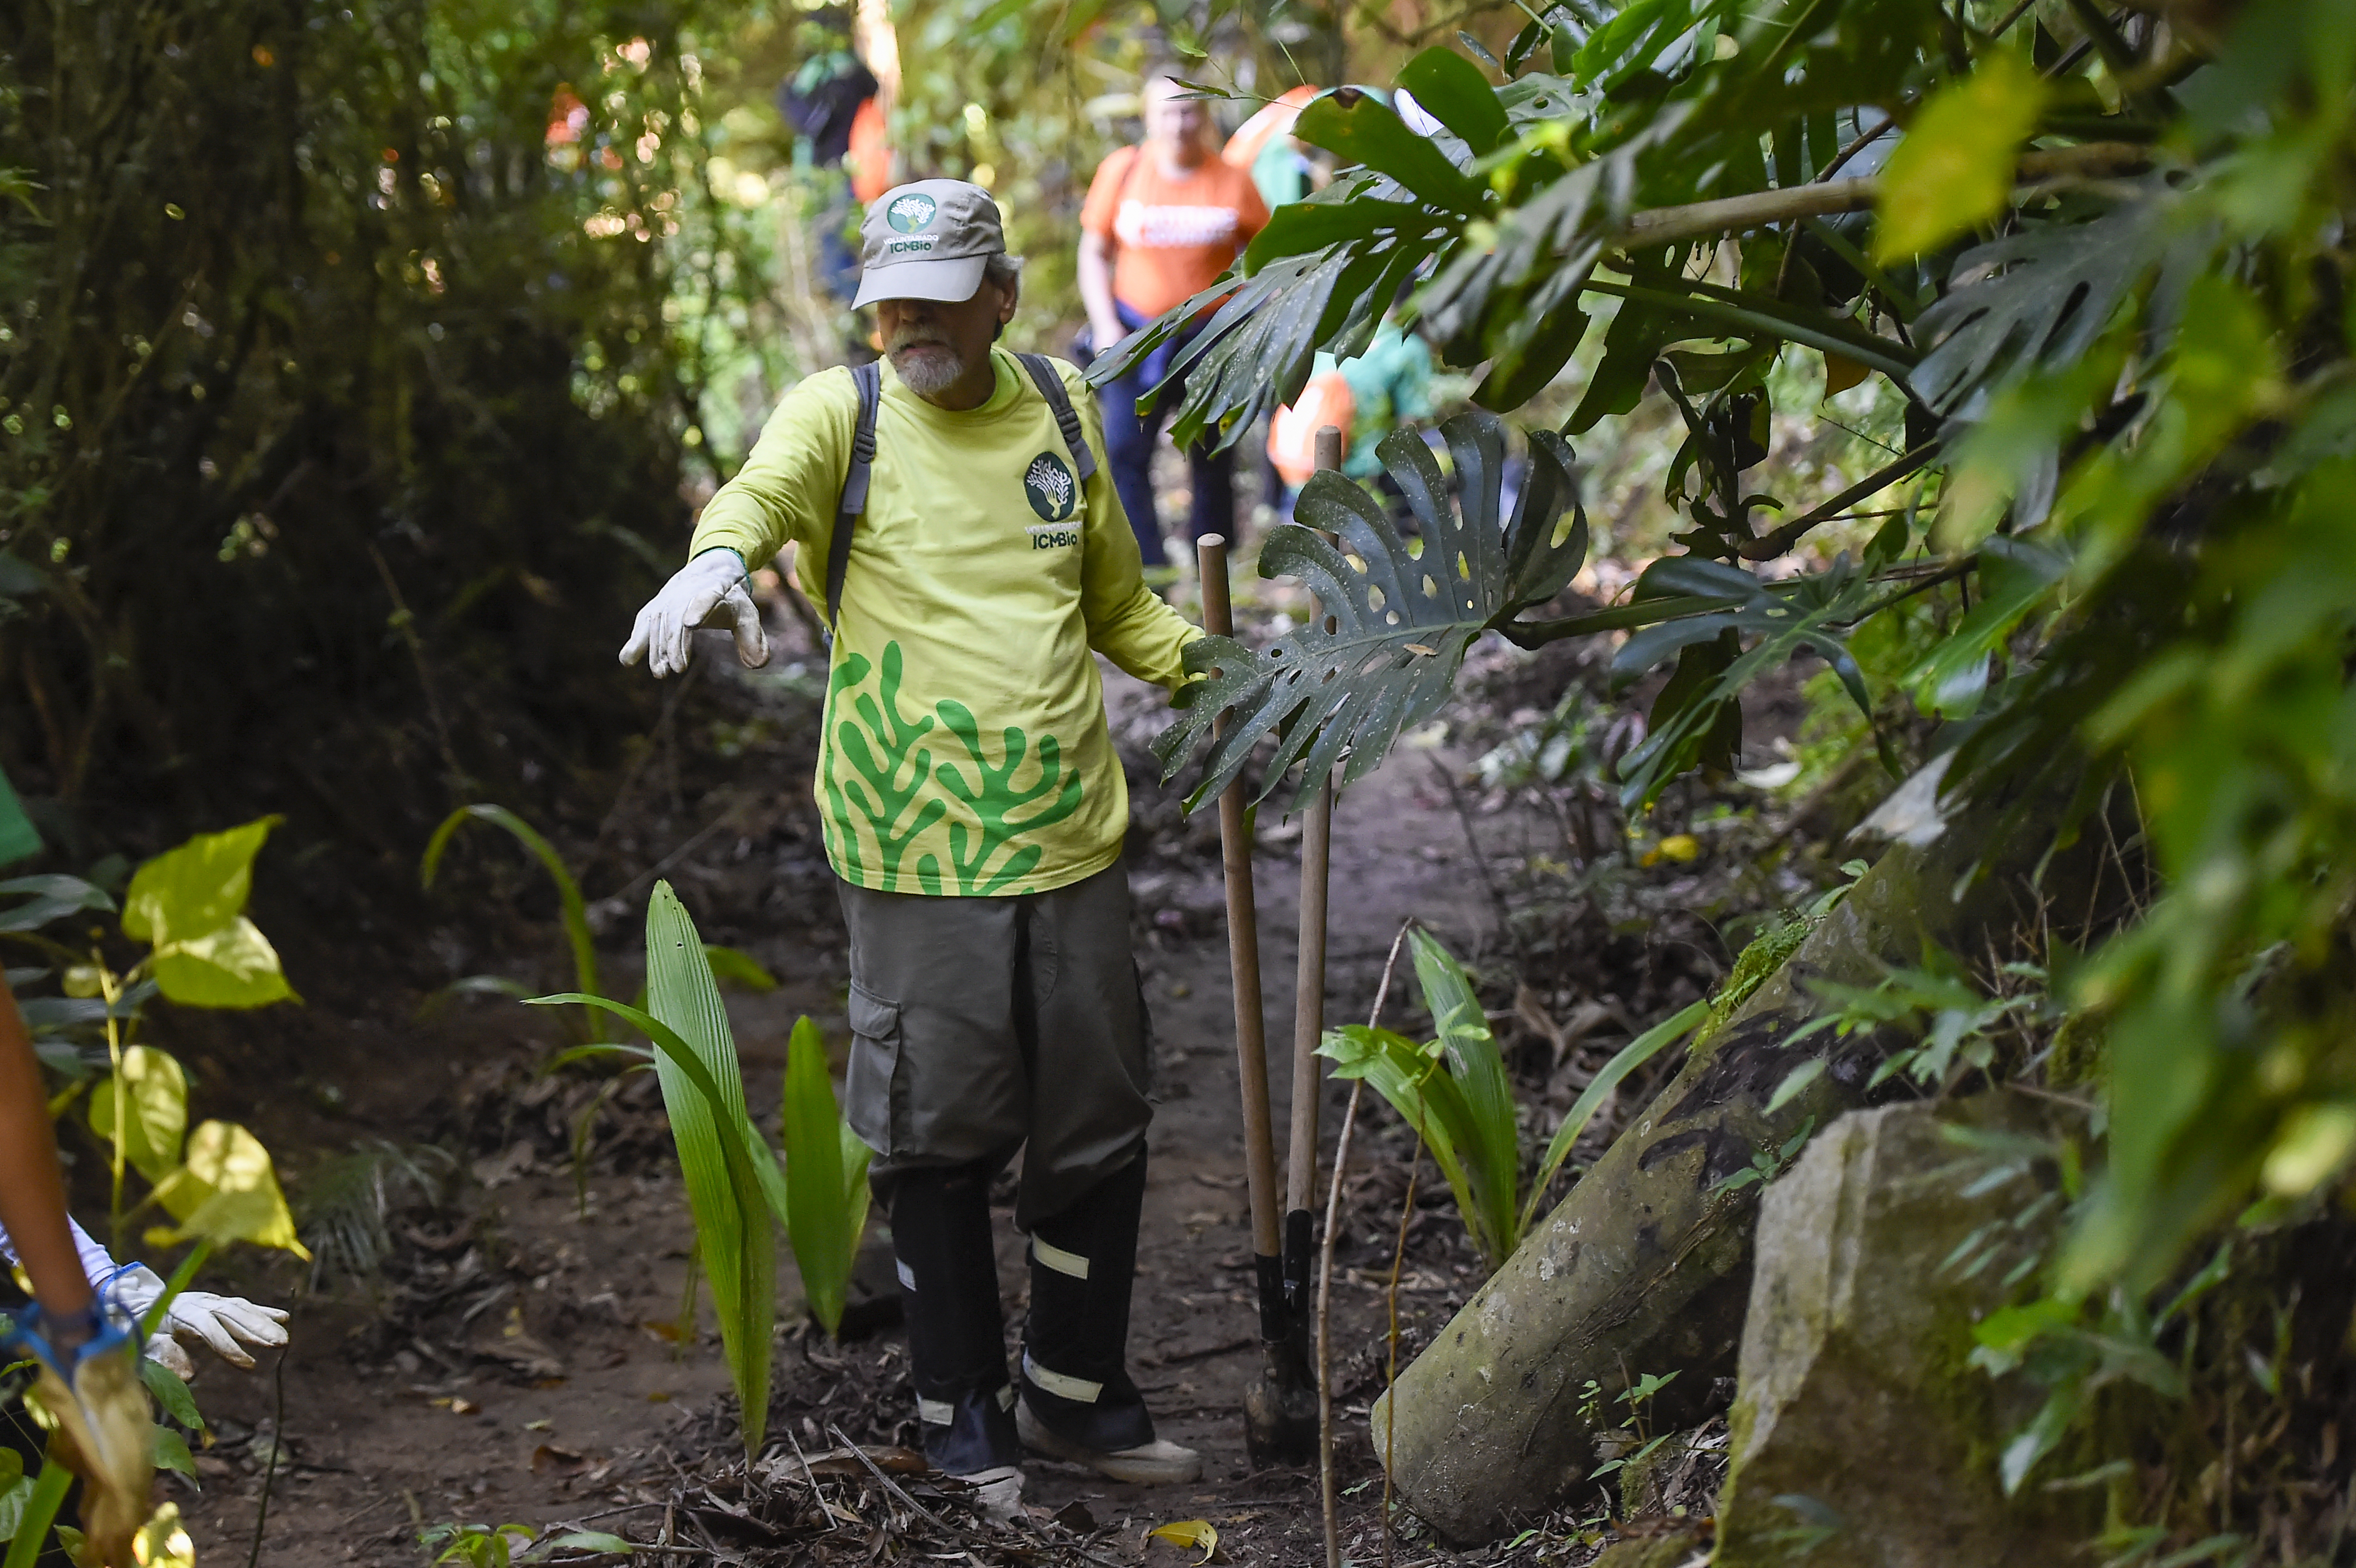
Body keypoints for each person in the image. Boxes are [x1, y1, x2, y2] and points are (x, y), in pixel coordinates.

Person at [620, 178, 1204, 1518]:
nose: (910, 322)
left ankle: (1075, 1391)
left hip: (1073, 836)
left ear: (1000, 294)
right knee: (935, 1135)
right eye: (890, 297)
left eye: (940, 299)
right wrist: (715, 562)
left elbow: (1118, 604)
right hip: (915, 842)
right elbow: (763, 492)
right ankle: (960, 1409)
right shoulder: (849, 412)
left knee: (1096, 1124)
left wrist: (1228, 676)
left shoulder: (1059, 407)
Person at [1079, 72, 1269, 567]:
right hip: (1136, 333)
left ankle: (1217, 565)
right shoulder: (1123, 171)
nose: (1178, 123)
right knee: (1124, 450)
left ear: (1204, 117)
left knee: (1213, 451)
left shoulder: (1232, 178)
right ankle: (1150, 568)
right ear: (1148, 117)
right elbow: (1095, 251)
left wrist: (1254, 322)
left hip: (1212, 335)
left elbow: (1269, 255)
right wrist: (1105, 326)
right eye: (1167, 111)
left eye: (1188, 111)